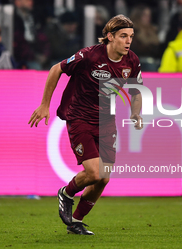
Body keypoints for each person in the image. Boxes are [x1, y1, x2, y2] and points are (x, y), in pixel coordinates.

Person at [29, 14, 143, 235]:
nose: (128, 41)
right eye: (123, 36)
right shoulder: (89, 56)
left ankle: (76, 221)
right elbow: (56, 69)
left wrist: (136, 111)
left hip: (107, 121)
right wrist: (45, 104)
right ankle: (66, 192)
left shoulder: (132, 61)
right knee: (94, 173)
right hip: (80, 117)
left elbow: (137, 89)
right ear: (109, 36)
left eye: (131, 36)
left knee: (103, 179)